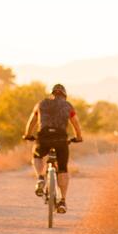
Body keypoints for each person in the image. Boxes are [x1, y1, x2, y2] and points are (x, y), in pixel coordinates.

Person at [23, 84, 83, 213]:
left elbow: (32, 121)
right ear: (64, 96)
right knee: (63, 169)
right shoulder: (68, 106)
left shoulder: (41, 104)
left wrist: (27, 135)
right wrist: (78, 137)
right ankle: (62, 202)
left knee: (37, 155)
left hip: (43, 137)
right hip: (61, 139)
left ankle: (40, 177)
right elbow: (76, 123)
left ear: (52, 94)